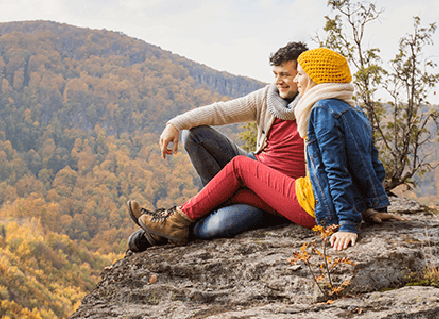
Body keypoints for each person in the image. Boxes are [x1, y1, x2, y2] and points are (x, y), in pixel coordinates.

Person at [131, 48, 405, 251]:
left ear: (313, 76)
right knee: (214, 165)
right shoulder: (351, 111)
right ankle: (165, 228)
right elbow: (370, 165)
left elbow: (336, 170)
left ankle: (173, 224)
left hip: (306, 202)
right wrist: (371, 206)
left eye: (297, 75)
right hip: (286, 189)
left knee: (227, 194)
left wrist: (348, 224)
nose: (293, 81)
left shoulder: (320, 111)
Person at [127, 41, 310, 253]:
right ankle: (190, 211)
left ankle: (163, 230)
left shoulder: (313, 105)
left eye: (285, 75)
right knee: (195, 135)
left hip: (278, 193)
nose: (279, 81)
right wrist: (174, 124)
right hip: (254, 168)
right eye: (275, 74)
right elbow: (220, 112)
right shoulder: (268, 98)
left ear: (301, 74)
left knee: (218, 226)